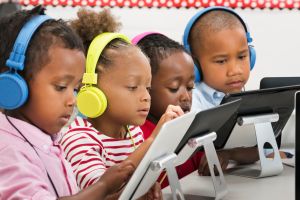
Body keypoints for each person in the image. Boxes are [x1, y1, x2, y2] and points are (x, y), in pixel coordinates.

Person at [0, 6, 136, 200]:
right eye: (61, 87)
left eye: (75, 88)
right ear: (14, 85)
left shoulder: (48, 137)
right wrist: (103, 186)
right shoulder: (8, 151)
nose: (73, 100)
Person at [60, 9, 183, 199]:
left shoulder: (133, 133)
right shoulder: (78, 139)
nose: (146, 97)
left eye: (148, 88)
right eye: (133, 87)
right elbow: (101, 195)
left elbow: (132, 187)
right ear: (92, 88)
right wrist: (153, 141)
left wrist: (148, 187)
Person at [183, 6, 286, 175]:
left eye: (242, 56)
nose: (235, 70)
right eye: (222, 61)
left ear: (251, 56)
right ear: (194, 65)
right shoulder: (193, 102)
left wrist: (229, 154)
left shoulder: (245, 98)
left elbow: (261, 149)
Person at [132, 32, 207, 187]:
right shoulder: (136, 136)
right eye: (174, 88)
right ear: (145, 87)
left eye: (190, 87)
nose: (186, 97)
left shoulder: (186, 128)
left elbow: (202, 162)